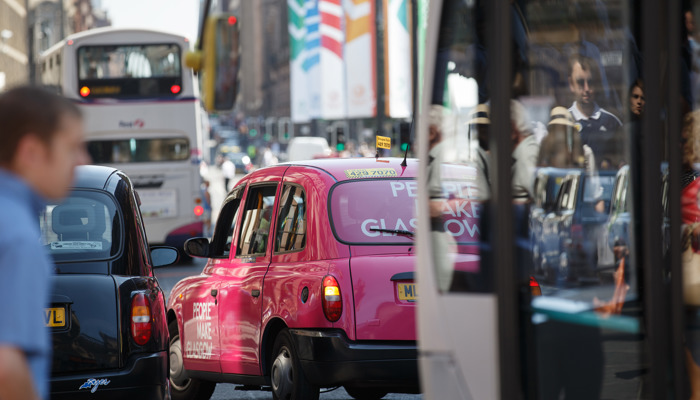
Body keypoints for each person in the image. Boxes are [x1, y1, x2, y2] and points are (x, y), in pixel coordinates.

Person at [0, 86, 89, 400]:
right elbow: (6, 367)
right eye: (72, 147)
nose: (82, 161)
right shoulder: (19, 238)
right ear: (31, 153)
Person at [567, 55, 622, 159]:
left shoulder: (612, 122)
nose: (586, 88)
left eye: (590, 82)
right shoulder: (563, 121)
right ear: (571, 84)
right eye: (580, 82)